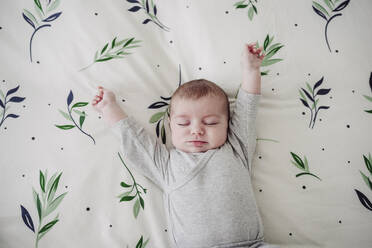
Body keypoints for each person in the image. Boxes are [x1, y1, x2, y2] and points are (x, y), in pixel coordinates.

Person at [92, 43, 279, 248]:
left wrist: (251, 69)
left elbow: (247, 109)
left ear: (228, 124)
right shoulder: (165, 164)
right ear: (171, 125)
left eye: (210, 122)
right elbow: (135, 141)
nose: (196, 130)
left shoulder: (237, 148)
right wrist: (109, 107)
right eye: (183, 123)